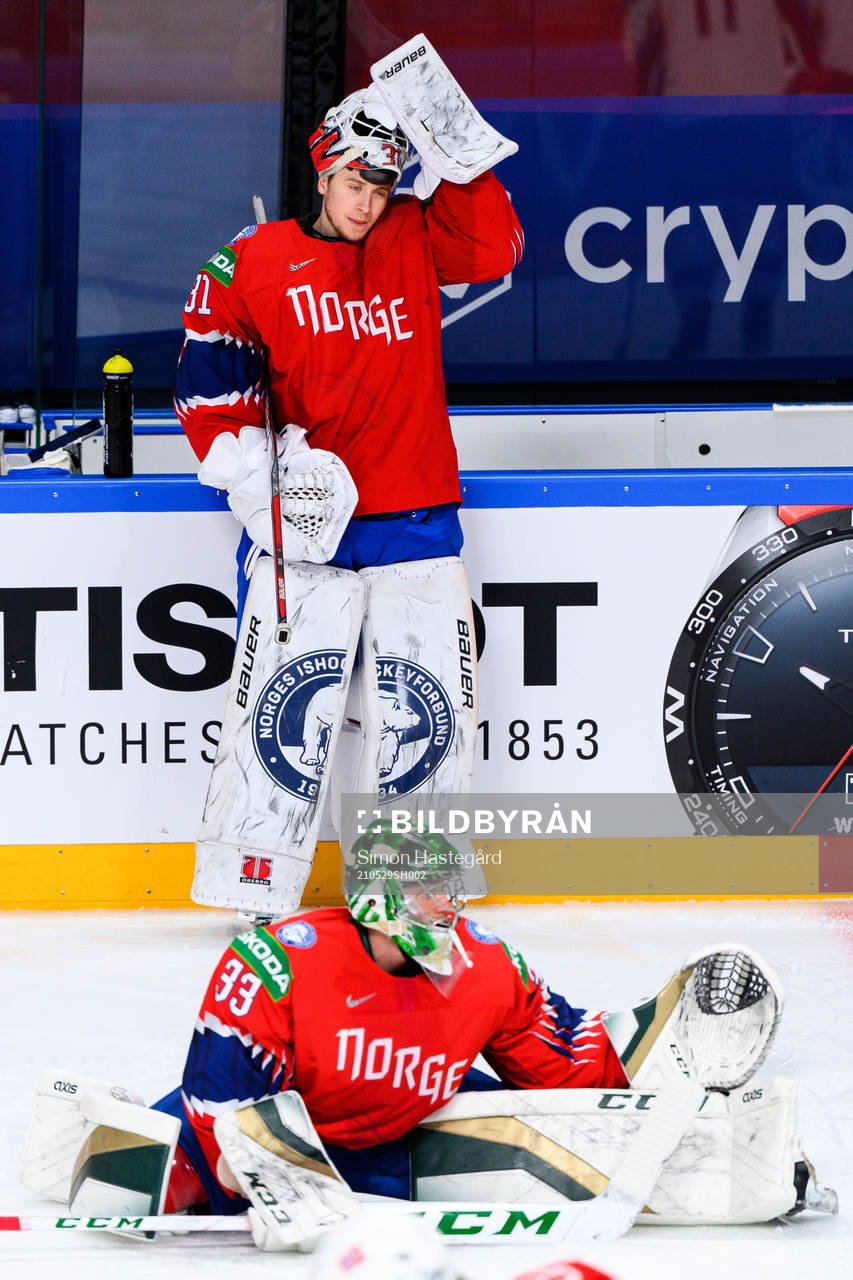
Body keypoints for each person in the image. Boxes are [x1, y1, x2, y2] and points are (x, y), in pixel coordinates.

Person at [173, 69, 524, 918]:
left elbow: (497, 249)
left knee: (424, 719)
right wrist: (259, 486)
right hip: (307, 537)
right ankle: (252, 886)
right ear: (322, 171)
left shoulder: (415, 234)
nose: (368, 202)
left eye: (382, 183)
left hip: (415, 521)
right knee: (278, 715)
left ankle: (412, 894)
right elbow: (205, 381)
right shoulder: (250, 261)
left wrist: (454, 146)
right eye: (355, 181)